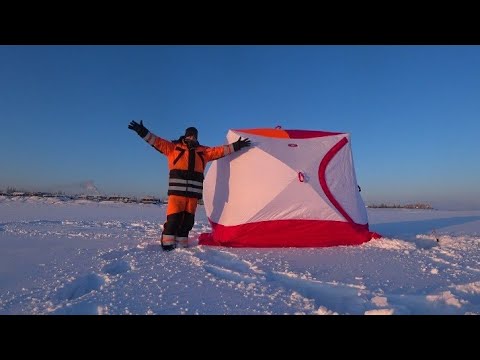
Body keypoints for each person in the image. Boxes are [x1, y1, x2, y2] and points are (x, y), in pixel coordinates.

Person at [128, 120, 251, 251]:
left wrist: (236, 145)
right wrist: (142, 131)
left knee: (188, 221)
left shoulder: (203, 152)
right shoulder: (173, 148)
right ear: (186, 136)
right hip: (177, 194)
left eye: (194, 135)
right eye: (190, 135)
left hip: (192, 196)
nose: (192, 137)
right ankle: (167, 241)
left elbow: (220, 151)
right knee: (174, 219)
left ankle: (182, 240)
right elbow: (156, 141)